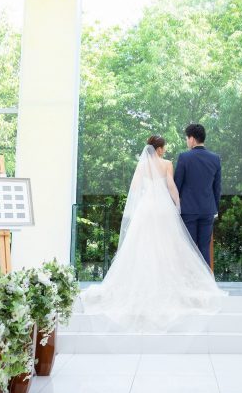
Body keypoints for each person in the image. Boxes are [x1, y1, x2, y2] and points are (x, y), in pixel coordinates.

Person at [80, 135, 227, 332]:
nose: (164, 150)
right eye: (163, 148)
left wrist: (143, 198)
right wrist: (178, 204)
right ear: (158, 149)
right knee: (166, 244)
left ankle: (142, 283)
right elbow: (172, 186)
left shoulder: (142, 166)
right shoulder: (167, 164)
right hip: (163, 208)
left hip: (146, 208)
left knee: (143, 245)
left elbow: (134, 188)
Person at [174, 124, 221, 267]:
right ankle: (205, 279)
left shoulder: (184, 157)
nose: (187, 141)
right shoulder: (215, 158)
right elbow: (217, 188)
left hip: (188, 210)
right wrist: (215, 209)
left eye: (187, 138)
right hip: (208, 210)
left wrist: (175, 207)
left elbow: (177, 186)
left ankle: (191, 279)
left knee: (190, 248)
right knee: (204, 248)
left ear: (192, 139)